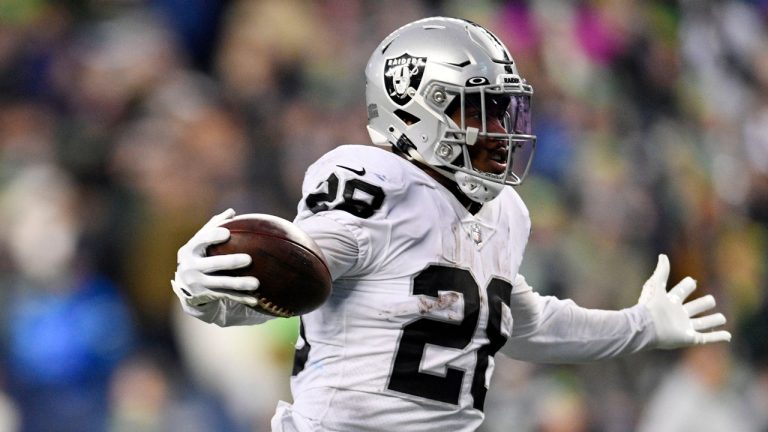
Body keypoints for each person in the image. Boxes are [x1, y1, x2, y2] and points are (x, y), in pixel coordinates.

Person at [170, 17, 731, 432]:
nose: (495, 129)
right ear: (411, 108)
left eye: (500, 110)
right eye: (475, 109)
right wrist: (207, 290)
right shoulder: (374, 181)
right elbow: (298, 268)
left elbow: (527, 326)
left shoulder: (505, 212)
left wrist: (641, 324)